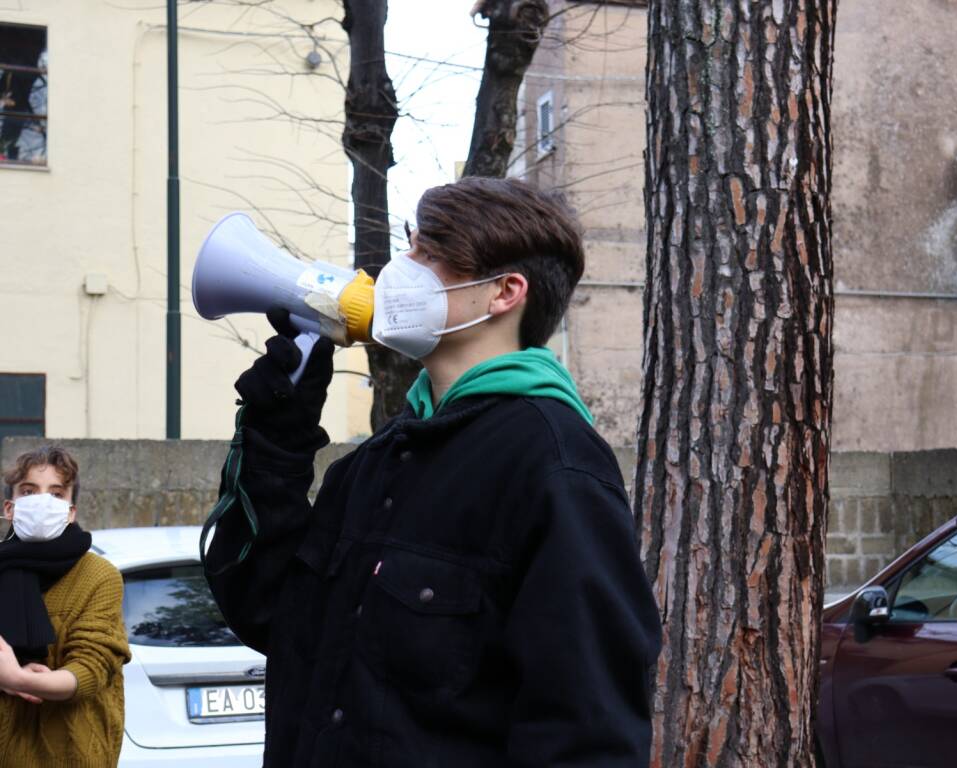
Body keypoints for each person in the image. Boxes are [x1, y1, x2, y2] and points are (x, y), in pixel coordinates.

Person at [205, 177, 662, 767]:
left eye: (429, 254)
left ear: (505, 292)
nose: (401, 269)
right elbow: (271, 614)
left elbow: (588, 729)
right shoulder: (375, 464)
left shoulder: (557, 467)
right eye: (409, 247)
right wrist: (277, 438)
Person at [0, 445, 131, 768]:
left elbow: (92, 667)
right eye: (29, 491)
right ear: (10, 507)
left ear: (71, 511)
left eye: (56, 494)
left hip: (71, 753)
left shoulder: (98, 576)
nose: (42, 502)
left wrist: (17, 679)